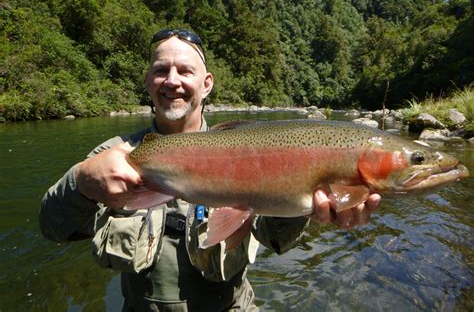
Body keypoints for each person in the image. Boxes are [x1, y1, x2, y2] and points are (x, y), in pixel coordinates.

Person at [39, 29, 381, 311]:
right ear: (147, 82)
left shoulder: (252, 150)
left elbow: (274, 238)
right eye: (161, 70)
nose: (171, 81)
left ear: (206, 84)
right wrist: (82, 181)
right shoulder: (115, 156)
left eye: (185, 71)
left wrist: (305, 200)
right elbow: (53, 228)